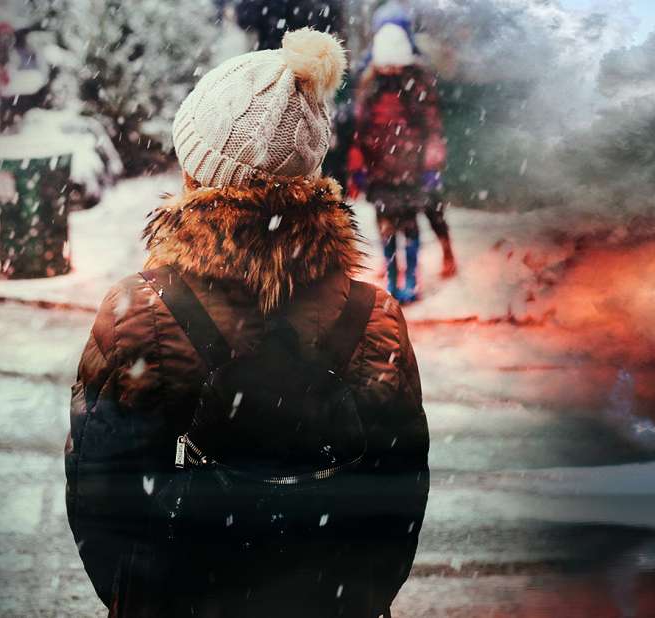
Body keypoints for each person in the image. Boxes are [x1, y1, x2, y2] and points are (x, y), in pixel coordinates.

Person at [65, 28, 429, 618]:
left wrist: (152, 598)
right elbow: (398, 505)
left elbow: (101, 498)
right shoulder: (373, 317)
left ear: (196, 169)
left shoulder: (141, 310)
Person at [348, 24, 453, 304]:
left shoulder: (417, 85)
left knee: (409, 225)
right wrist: (358, 166)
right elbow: (361, 131)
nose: (391, 71)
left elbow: (432, 127)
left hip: (411, 170)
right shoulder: (369, 89)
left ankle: (412, 279)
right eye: (387, 66)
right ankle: (394, 278)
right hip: (380, 172)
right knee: (385, 226)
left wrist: (431, 164)